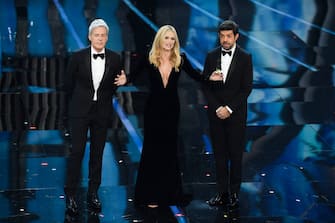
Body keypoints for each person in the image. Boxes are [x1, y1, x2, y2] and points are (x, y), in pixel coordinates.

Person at [133, 25, 205, 208]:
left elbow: (197, 76)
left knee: (169, 150)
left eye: (172, 39)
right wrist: (123, 79)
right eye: (166, 38)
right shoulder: (149, 59)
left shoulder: (180, 60)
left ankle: (170, 193)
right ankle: (150, 194)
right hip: (153, 110)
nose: (169, 42)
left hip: (172, 110)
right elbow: (132, 76)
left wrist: (210, 77)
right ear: (160, 39)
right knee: (152, 150)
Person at [63, 18, 127, 215]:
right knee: (77, 152)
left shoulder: (116, 58)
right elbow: (67, 85)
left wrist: (124, 80)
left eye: (103, 35)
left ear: (107, 38)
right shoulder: (77, 57)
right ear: (90, 37)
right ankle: (71, 194)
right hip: (79, 112)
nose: (100, 38)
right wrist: (69, 112)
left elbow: (116, 82)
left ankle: (93, 193)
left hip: (102, 112)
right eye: (96, 35)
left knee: (97, 154)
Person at [202, 20, 253, 209]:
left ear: (236, 37)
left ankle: (234, 194)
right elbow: (206, 85)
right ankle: (222, 193)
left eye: (228, 36)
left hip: (236, 115)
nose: (225, 39)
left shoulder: (245, 57)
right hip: (216, 115)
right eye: (222, 36)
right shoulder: (211, 56)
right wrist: (217, 108)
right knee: (220, 156)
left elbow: (246, 88)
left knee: (236, 156)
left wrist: (229, 108)